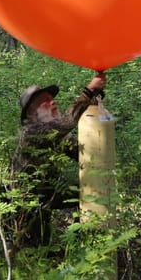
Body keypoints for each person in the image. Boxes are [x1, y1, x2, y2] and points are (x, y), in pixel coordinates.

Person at [10, 73, 106, 247]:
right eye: (44, 102)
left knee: (88, 191)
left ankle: (88, 242)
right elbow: (66, 122)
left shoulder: (54, 136)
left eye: (52, 99)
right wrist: (88, 91)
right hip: (25, 201)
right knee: (32, 248)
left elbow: (82, 154)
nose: (53, 102)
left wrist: (93, 104)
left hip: (47, 193)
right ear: (32, 111)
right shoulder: (31, 133)